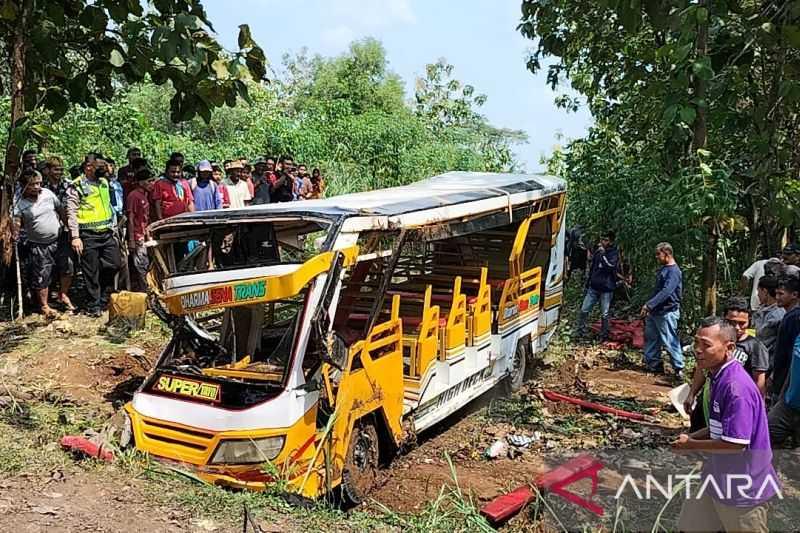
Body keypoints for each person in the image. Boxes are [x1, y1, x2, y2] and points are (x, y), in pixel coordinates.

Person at [674, 317, 776, 533]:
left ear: (729, 348)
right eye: (696, 343)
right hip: (716, 477)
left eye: (706, 345)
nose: (698, 350)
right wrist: (693, 437)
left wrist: (691, 445)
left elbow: (735, 444)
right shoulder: (718, 377)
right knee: (689, 526)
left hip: (742, 488)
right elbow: (720, 427)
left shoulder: (735, 388)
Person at [686, 297, 770, 432]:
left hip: (732, 401)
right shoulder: (711, 343)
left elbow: (759, 381)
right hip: (709, 398)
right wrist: (692, 394)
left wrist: (758, 409)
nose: (737, 328)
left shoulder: (755, 347)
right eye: (732, 322)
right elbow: (701, 369)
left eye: (742, 323)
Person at [12, 169, 74, 317]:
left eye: (39, 183)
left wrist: (71, 230)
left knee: (68, 267)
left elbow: (61, 210)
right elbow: (16, 222)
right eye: (33, 184)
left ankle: (63, 294)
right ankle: (44, 306)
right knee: (42, 275)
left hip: (59, 239)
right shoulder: (20, 203)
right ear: (24, 186)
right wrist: (14, 233)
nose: (37, 187)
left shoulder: (47, 194)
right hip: (39, 244)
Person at [66, 155, 122, 316]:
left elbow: (109, 206)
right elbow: (71, 213)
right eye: (98, 166)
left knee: (114, 264)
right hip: (87, 235)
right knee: (91, 271)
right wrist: (75, 237)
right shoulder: (76, 186)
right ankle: (94, 305)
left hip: (107, 232)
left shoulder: (104, 182)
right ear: (88, 167)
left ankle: (104, 297)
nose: (103, 168)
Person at [641, 242, 684, 378]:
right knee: (651, 338)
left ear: (667, 254)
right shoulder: (664, 269)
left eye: (658, 254)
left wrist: (649, 305)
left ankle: (678, 368)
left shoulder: (674, 272)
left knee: (670, 340)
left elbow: (667, 291)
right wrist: (649, 305)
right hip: (655, 311)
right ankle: (653, 365)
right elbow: (658, 290)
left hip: (667, 311)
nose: (656, 257)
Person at [576, 231, 619, 340]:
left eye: (606, 240)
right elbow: (593, 268)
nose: (603, 242)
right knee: (584, 309)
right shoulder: (598, 252)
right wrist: (588, 283)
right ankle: (581, 331)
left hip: (606, 288)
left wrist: (603, 255)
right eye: (602, 239)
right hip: (593, 287)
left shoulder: (613, 253)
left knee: (605, 313)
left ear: (611, 242)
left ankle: (604, 334)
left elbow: (610, 267)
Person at [768, 276, 800, 405]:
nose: (777, 297)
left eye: (781, 294)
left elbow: (792, 354)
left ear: (794, 295)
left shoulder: (794, 318)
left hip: (785, 383)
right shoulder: (789, 316)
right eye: (776, 293)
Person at [127, 167, 153, 292]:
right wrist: (132, 239)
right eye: (149, 181)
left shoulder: (145, 195)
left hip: (144, 234)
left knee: (147, 264)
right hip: (137, 236)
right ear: (141, 182)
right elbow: (131, 219)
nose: (152, 184)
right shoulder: (133, 196)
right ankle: (144, 291)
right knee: (141, 265)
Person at [752, 276, 784, 365]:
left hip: (767, 362)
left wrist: (744, 332)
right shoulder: (762, 309)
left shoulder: (777, 315)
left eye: (758, 291)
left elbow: (759, 335)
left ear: (765, 291)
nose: (757, 295)